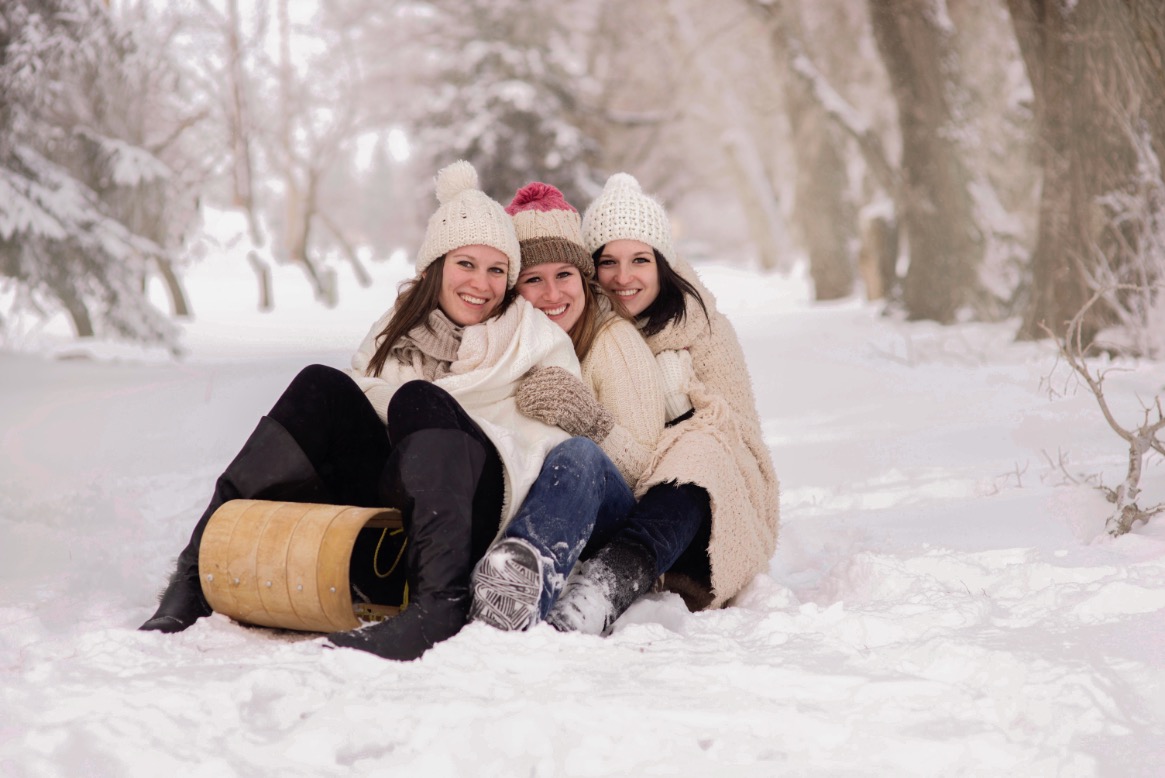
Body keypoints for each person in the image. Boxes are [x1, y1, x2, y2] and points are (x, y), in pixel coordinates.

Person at [139, 161, 578, 661]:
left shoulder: (533, 339)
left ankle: (440, 604)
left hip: (480, 506)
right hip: (398, 501)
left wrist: (430, 411)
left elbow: (550, 452)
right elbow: (363, 407)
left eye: (497, 269)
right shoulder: (397, 330)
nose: (481, 282)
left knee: (419, 398)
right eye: (466, 264)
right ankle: (194, 575)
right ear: (436, 266)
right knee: (320, 384)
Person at [544, 172, 780, 634]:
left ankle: (604, 588)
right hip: (615, 492)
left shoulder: (703, 329)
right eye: (608, 262)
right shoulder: (583, 326)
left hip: (697, 511)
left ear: (662, 264)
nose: (624, 277)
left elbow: (742, 441)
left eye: (639, 260)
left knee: (703, 450)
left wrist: (686, 411)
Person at [467, 182, 668, 630]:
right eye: (533, 280)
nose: (552, 293)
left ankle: (521, 580)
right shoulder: (509, 344)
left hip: (608, 520)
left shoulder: (612, 343)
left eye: (564, 276)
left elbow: (648, 475)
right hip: (526, 501)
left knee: (577, 455)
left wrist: (590, 422)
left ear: (584, 279)